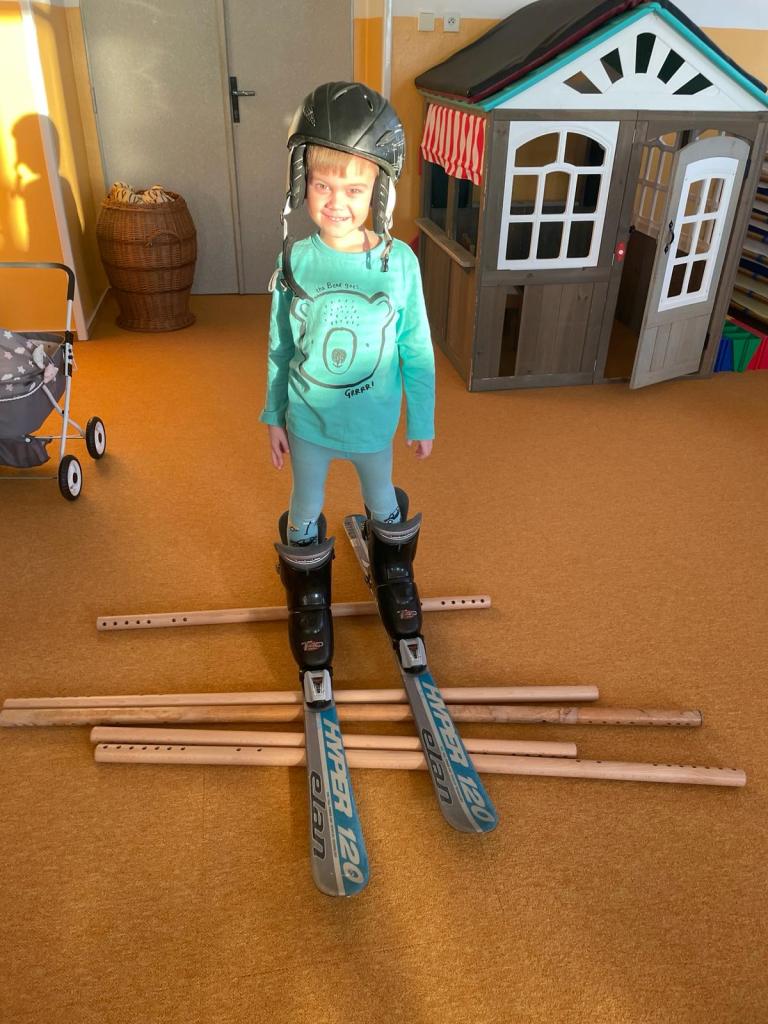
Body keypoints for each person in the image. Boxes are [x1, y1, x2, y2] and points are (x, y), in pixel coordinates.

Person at [259, 81, 435, 693]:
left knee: (382, 500)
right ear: (300, 182)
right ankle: (309, 594)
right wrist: (273, 414)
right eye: (322, 185)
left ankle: (394, 571)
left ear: (379, 191)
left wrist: (422, 419)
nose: (337, 202)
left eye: (355, 189)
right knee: (305, 508)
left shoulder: (399, 263)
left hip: (372, 426)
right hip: (308, 422)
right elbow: (281, 345)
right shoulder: (294, 261)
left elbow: (416, 347)